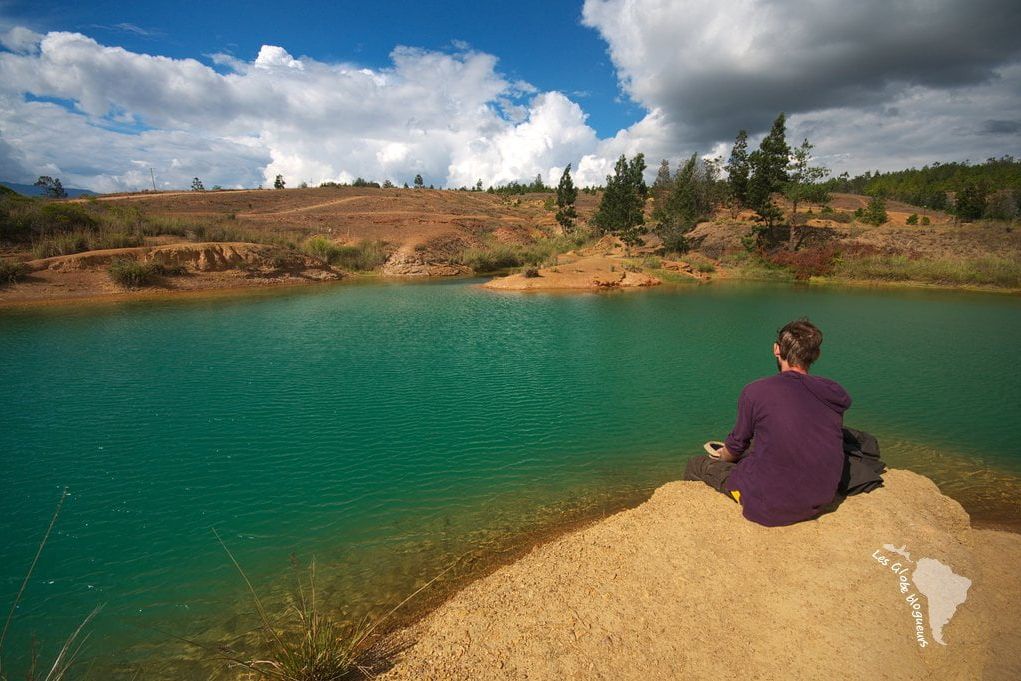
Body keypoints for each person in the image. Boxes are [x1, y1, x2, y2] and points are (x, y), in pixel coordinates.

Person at [684, 318, 852, 526]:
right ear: (815, 354)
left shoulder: (756, 391)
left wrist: (722, 457)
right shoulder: (833, 392)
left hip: (768, 505)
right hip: (822, 496)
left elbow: (736, 448)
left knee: (696, 464)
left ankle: (694, 519)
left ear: (776, 349)